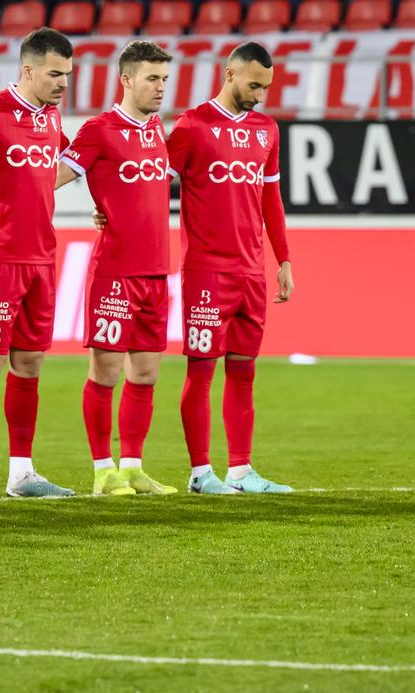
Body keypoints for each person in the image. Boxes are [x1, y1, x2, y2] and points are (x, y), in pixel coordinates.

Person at [0, 27, 76, 500]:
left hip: (41, 256)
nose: (63, 83)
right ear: (28, 70)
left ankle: (22, 474)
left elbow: (61, 164)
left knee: (29, 364)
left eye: (67, 74)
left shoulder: (50, 115)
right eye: (55, 74)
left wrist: (39, 187)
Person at [54, 40, 180, 496]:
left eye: (165, 79)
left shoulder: (157, 129)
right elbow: (54, 177)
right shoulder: (99, 129)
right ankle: (102, 470)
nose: (161, 87)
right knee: (105, 372)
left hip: (155, 271)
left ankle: (132, 468)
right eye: (152, 78)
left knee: (145, 375)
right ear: (126, 80)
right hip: (114, 272)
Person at [170, 41, 295, 495]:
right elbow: (151, 182)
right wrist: (109, 212)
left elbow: (270, 198)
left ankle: (241, 471)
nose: (260, 95)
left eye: (266, 87)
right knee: (201, 371)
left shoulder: (266, 130)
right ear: (230, 74)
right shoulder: (192, 125)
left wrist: (283, 259)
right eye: (254, 85)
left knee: (244, 372)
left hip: (251, 272)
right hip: (206, 271)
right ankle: (201, 473)